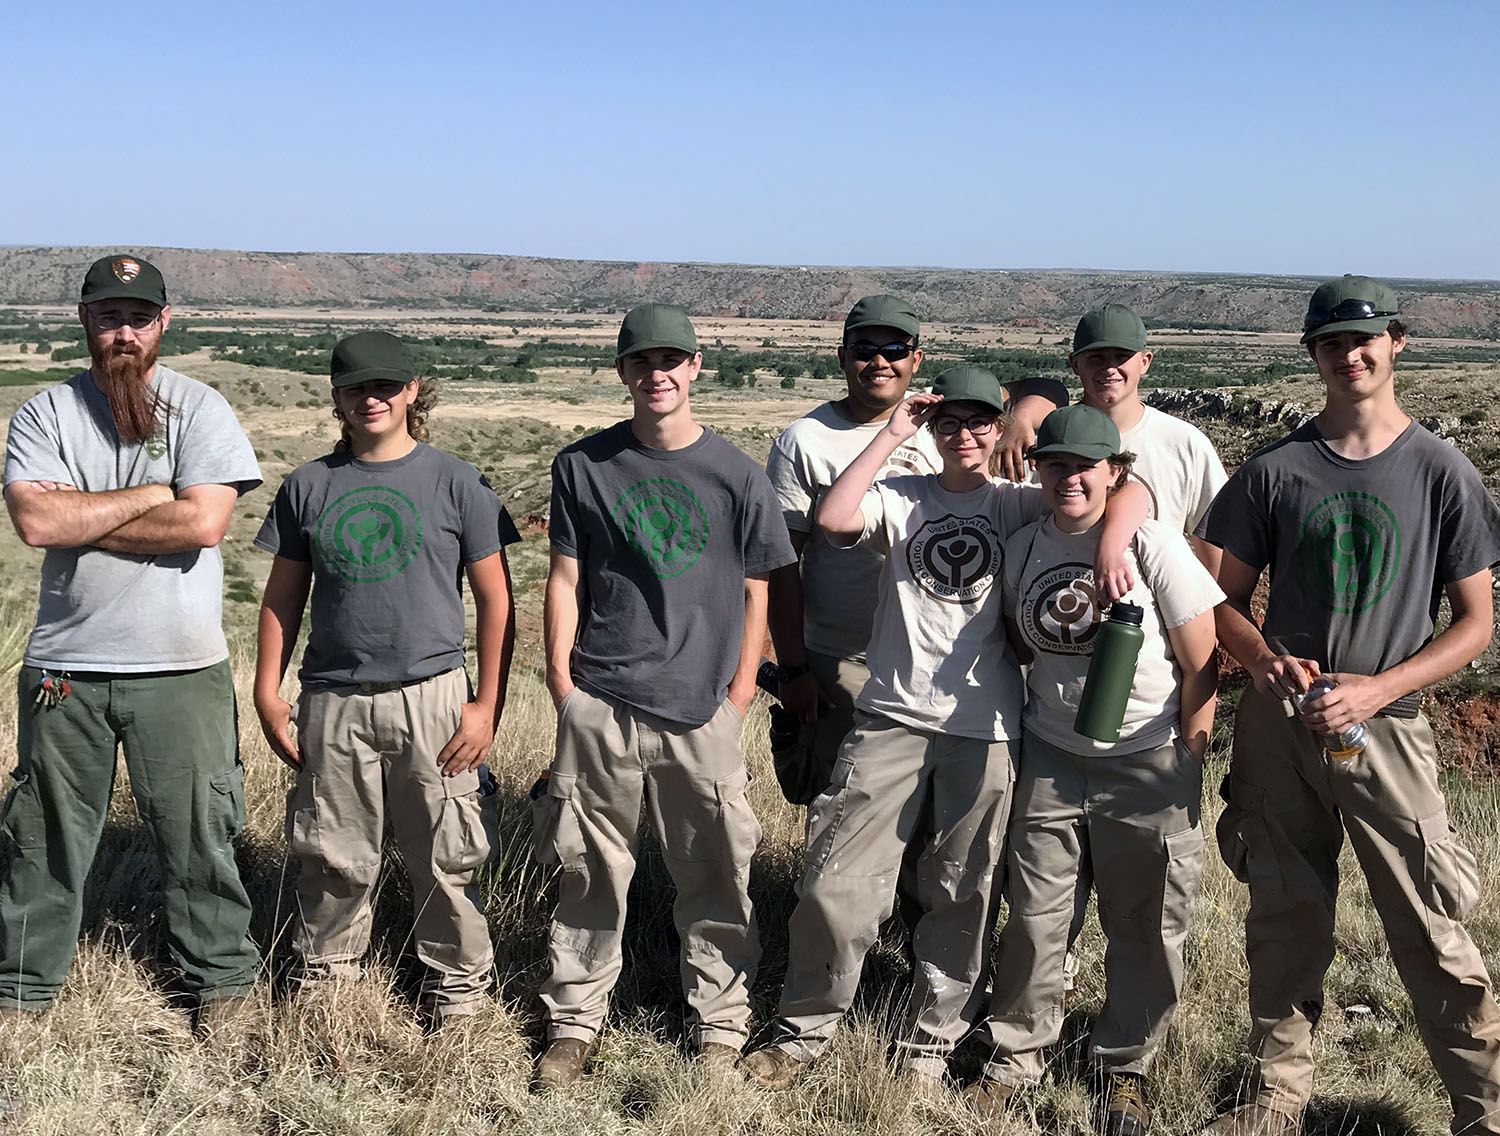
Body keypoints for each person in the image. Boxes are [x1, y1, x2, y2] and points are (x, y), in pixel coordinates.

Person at [741, 369, 1147, 1091]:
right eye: (950, 422)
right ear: (933, 428)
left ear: (998, 431)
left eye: (980, 422)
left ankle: (931, 1043)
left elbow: (1127, 489)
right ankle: (804, 1031)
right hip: (892, 715)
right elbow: (833, 522)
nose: (965, 434)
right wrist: (896, 432)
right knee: (837, 881)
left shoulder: (1021, 504)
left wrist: (1114, 537)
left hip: (985, 728)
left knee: (962, 893)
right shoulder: (900, 496)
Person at [1197, 275, 1500, 1136]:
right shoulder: (1274, 470)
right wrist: (1259, 661)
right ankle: (1275, 1098)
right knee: (1284, 909)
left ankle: (1484, 1112)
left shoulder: (1442, 471)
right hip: (1281, 725)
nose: (1350, 355)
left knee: (1429, 917)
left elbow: (1476, 623)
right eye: (1332, 343)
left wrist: (1380, 687)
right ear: (1315, 356)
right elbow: (1219, 598)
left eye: (1364, 339)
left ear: (1396, 343)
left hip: (1385, 726)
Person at [531, 303, 795, 1088]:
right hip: (602, 700)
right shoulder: (583, 466)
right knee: (586, 873)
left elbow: (758, 594)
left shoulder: (738, 475)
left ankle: (718, 1027)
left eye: (672, 361)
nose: (659, 375)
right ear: (623, 372)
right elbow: (567, 577)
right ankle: (574, 1024)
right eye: (643, 362)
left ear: (697, 367)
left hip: (700, 709)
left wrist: (740, 693)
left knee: (715, 873)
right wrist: (560, 683)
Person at [0, 254, 260, 1029]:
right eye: (109, 315)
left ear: (164, 323)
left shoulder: (200, 408)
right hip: (66, 666)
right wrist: (155, 495)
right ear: (84, 319)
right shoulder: (46, 412)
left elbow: (205, 524)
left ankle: (220, 985)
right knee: (41, 835)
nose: (124, 331)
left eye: (139, 317)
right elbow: (38, 524)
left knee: (199, 837)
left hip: (181, 666)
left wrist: (88, 513)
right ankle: (21, 990)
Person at [966, 404, 1222, 1135]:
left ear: (1115, 472)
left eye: (1086, 465)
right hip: (1051, 755)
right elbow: (1021, 642)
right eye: (1056, 464)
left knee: (1145, 925)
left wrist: (1191, 757)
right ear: (1038, 470)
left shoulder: (1152, 545)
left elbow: (1203, 659)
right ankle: (1016, 1057)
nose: (1069, 477)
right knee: (1038, 921)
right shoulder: (1021, 550)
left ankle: (1126, 1068)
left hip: (1147, 762)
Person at [253, 330, 517, 1028]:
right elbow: (283, 597)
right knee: (332, 852)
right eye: (354, 388)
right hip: (333, 697)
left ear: (411, 392)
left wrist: (487, 703)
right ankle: (327, 987)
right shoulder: (310, 485)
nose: (370, 399)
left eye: (384, 387)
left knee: (447, 856)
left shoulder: (458, 481)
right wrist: (266, 690)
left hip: (431, 695)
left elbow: (496, 599)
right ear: (336, 397)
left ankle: (458, 994)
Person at [765, 293, 1065, 803]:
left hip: (947, 659)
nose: (879, 361)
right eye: (863, 348)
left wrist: (1021, 418)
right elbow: (780, 564)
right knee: (843, 806)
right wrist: (793, 667)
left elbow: (1046, 384)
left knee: (930, 820)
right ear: (842, 356)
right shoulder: (806, 440)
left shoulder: (944, 417)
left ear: (916, 359)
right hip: (842, 657)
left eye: (895, 349)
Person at [1056, 303, 1228, 992]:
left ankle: (1130, 1042)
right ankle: (1039, 1006)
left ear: (1146, 363)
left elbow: (1213, 552)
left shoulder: (1185, 445)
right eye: (1095, 357)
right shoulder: (1052, 440)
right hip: (1060, 691)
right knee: (1050, 886)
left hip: (1155, 700)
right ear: (1076, 365)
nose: (1109, 367)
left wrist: (1196, 729)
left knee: (1149, 896)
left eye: (1121, 356)